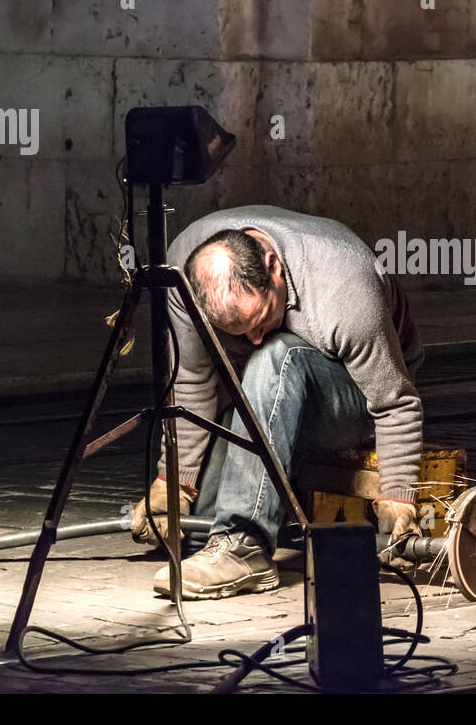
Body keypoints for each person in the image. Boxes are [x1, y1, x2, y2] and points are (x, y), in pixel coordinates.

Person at [132, 205, 424, 599]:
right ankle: (230, 534)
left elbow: (394, 403)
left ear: (274, 267)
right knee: (200, 528)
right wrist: (173, 484)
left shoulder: (343, 289)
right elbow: (193, 381)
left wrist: (398, 497)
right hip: (262, 396)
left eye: (259, 318)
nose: (252, 338)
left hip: (355, 397)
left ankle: (245, 546)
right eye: (237, 331)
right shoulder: (184, 272)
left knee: (275, 354)